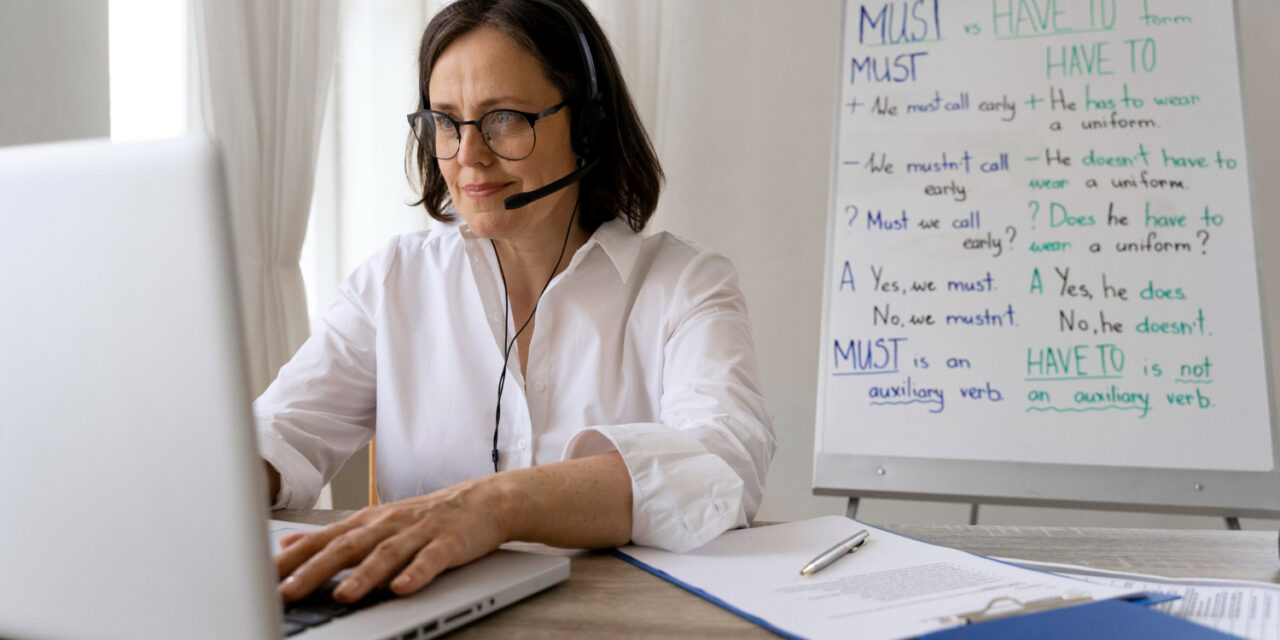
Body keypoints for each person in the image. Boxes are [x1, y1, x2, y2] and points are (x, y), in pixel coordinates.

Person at [259, 0, 775, 604]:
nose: (467, 155)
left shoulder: (685, 284)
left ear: (587, 125)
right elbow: (281, 430)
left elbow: (723, 459)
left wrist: (493, 507)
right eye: (446, 121)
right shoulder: (394, 279)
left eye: (502, 118)